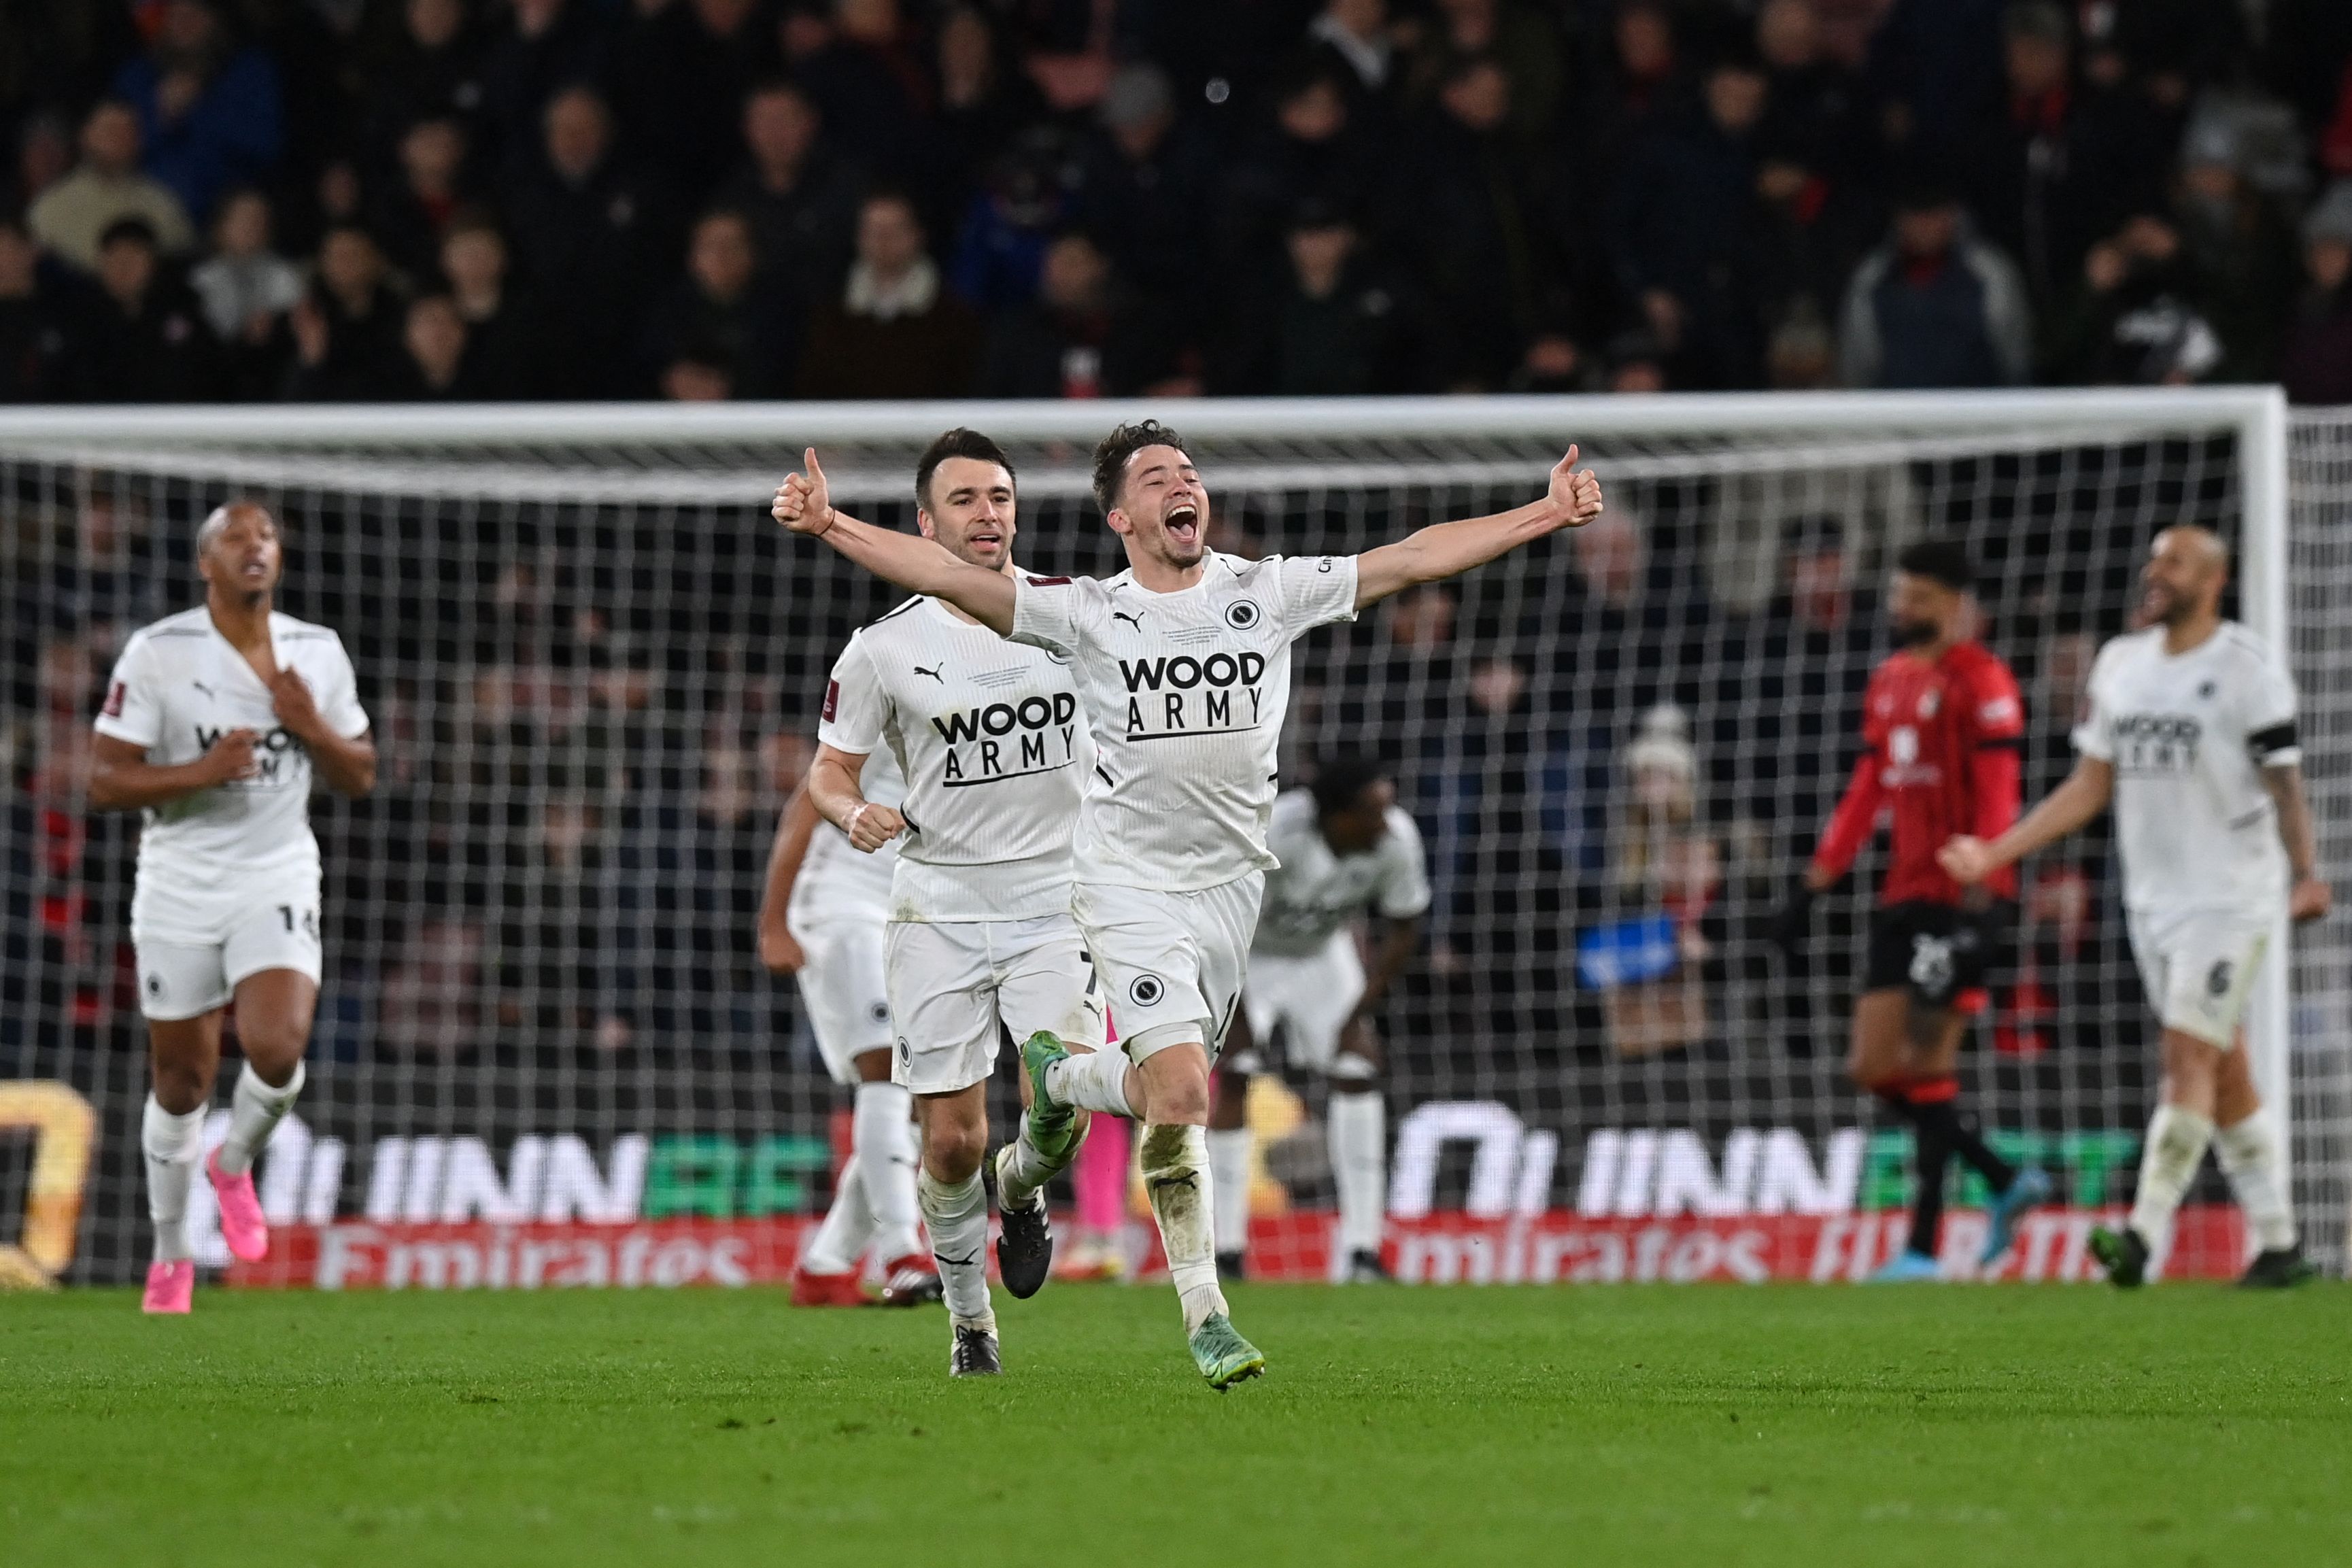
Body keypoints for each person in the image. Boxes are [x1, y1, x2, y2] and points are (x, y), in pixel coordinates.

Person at [773, 419, 1604, 1387]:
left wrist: (1543, 513)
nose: (1183, 484)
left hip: (1225, 890)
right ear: (1119, 515)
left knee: (1150, 1093)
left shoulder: (1263, 589)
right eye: (1156, 475)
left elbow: (1413, 557)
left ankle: (1052, 1097)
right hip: (1098, 886)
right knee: (1125, 1107)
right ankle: (1169, 1313)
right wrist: (833, 525)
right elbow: (944, 593)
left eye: (1190, 472)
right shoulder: (1070, 613)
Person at [1940, 528, 2330, 1289]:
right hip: (2152, 900)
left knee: (2186, 1056)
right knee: (2222, 1066)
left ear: (2213, 580)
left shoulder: (2248, 671)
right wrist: (1994, 853)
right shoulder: (2121, 663)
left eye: (2173, 562)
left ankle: (2141, 1238)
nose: (2155, 572)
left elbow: (2285, 784)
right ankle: (2281, 1244)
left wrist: (2306, 874)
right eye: (2152, 559)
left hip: (2232, 896)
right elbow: (2089, 786)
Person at [806, 428, 1108, 1378]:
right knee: (947, 1138)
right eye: (968, 500)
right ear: (926, 522)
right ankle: (970, 1326)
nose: (990, 515)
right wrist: (851, 811)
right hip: (936, 906)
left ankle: (1020, 1190)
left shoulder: (1069, 616)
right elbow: (826, 770)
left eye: (1002, 497)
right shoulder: (883, 648)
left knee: (1062, 1097)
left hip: (1055, 900)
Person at [87, 502, 376, 1314]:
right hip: (178, 882)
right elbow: (104, 780)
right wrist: (202, 771)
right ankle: (172, 1252)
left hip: (276, 873)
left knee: (278, 1046)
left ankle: (236, 1159)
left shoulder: (316, 652)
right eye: (236, 538)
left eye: (268, 536)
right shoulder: (159, 652)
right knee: (182, 1081)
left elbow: (361, 775)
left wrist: (310, 724)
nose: (257, 547)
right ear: (204, 563)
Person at [1771, 539, 2051, 1281]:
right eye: (1898, 594)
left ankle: (1925, 1248)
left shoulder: (1982, 680)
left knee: (1927, 1064)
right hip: (1902, 896)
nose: (1902, 608)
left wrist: (1988, 892)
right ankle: (1999, 1178)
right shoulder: (1891, 679)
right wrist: (1814, 882)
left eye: (1918, 597)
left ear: (1956, 604)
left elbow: (2000, 794)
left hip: (1961, 898)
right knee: (1874, 1064)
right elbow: (1870, 791)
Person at [1208, 753, 1429, 1284]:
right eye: (1370, 813)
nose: (1384, 822)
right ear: (1334, 815)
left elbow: (1404, 929)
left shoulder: (1396, 839)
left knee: (1358, 1069)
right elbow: (1216, 918)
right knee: (1235, 1073)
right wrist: (1233, 1014)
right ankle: (1226, 1253)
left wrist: (1356, 1016)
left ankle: (1363, 1252)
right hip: (1246, 953)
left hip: (1319, 954)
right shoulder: (1274, 833)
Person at [757, 732, 936, 1310]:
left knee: (913, 1096)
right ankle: (904, 1254)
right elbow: (811, 795)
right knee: (885, 1069)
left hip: (911, 912)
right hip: (843, 902)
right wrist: (773, 921)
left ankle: (825, 1268)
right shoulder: (900, 689)